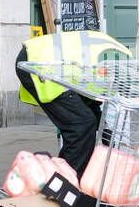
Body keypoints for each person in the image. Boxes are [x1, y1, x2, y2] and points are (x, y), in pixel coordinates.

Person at [16, 29, 132, 175]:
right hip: (42, 65)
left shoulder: (117, 55)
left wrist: (102, 125)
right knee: (81, 125)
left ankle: (60, 175)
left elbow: (92, 97)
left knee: (84, 123)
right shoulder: (122, 64)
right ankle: (68, 184)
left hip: (40, 59)